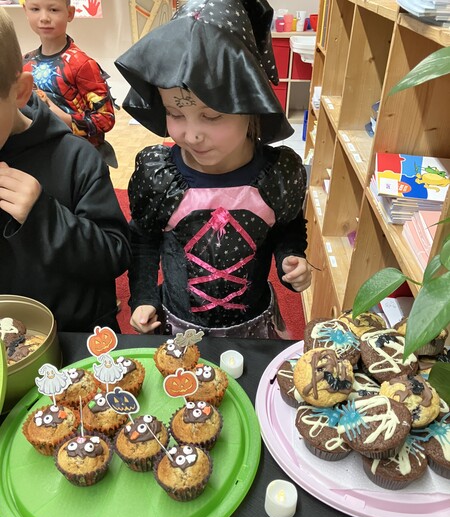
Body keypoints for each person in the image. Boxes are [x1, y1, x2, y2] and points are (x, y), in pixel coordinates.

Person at [115, 0, 311, 339]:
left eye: (211, 116)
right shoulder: (160, 177)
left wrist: (290, 257)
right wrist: (144, 298)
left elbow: (287, 225)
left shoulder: (278, 175)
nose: (192, 134)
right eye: (175, 113)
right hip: (178, 326)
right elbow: (145, 238)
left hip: (254, 329)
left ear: (251, 104)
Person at [0, 7, 131, 332]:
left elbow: (115, 254)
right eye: (35, 8)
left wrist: (43, 216)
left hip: (74, 337)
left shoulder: (76, 159)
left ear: (20, 92)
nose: (44, 16)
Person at [22, 0, 118, 167]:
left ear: (70, 13)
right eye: (35, 9)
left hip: (78, 160)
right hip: (39, 156)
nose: (44, 18)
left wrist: (58, 116)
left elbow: (105, 119)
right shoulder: (25, 63)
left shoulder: (82, 64)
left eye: (53, 10)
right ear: (26, 11)